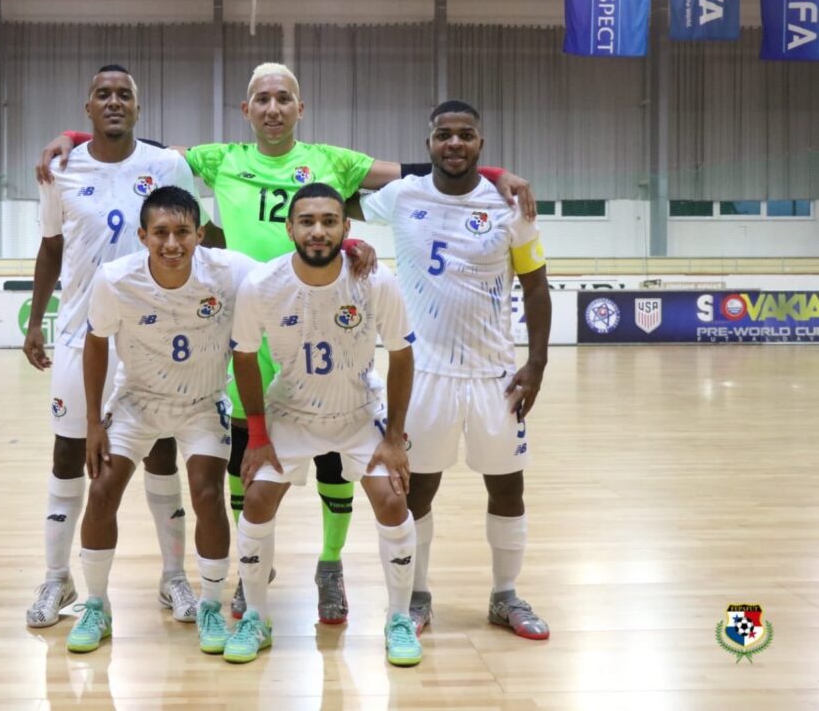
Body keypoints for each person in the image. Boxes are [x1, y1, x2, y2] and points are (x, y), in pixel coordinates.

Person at [36, 63, 536, 625]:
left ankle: (331, 564)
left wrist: (492, 173)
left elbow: (426, 168)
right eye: (262, 99)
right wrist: (75, 136)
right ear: (246, 110)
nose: (273, 108)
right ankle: (254, 573)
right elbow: (135, 148)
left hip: (322, 320)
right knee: (246, 456)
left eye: (283, 99)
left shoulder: (334, 161)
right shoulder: (220, 159)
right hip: (247, 321)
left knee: (333, 462)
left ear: (301, 108)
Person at [359, 100, 552, 640]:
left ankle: (505, 596)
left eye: (466, 135)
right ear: (428, 144)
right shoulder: (403, 195)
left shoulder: (509, 206)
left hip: (495, 376)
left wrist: (536, 363)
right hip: (423, 375)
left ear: (480, 144)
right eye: (444, 134)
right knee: (417, 490)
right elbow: (337, 199)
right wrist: (348, 239)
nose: (454, 143)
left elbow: (536, 286)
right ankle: (417, 596)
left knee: (507, 489)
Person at [24, 65, 205, 631]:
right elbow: (51, 248)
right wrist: (36, 320)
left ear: (138, 107)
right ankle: (57, 577)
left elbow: (203, 240)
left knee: (160, 454)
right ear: (88, 107)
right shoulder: (60, 170)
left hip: (151, 336)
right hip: (80, 335)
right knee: (68, 454)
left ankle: (174, 577)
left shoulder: (166, 165)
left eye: (124, 94)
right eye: (103, 94)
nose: (114, 101)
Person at [224, 182, 420, 666]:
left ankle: (398, 618)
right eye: (307, 221)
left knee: (393, 499)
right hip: (292, 412)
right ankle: (257, 617)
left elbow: (401, 355)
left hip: (358, 412)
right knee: (257, 498)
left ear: (346, 228)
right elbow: (244, 358)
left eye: (329, 221)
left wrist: (395, 437)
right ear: (289, 228)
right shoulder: (262, 284)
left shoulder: (375, 280)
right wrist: (258, 436)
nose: (318, 231)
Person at [68, 186, 257, 655]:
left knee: (208, 494)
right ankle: (96, 605)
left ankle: (209, 605)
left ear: (200, 234)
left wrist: (352, 248)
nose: (172, 243)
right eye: (161, 233)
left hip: (202, 402)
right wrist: (93, 423)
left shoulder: (230, 271)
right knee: (102, 490)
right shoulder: (116, 279)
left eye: (182, 232)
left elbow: (288, 271)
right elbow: (96, 343)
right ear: (143, 236)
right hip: (137, 401)